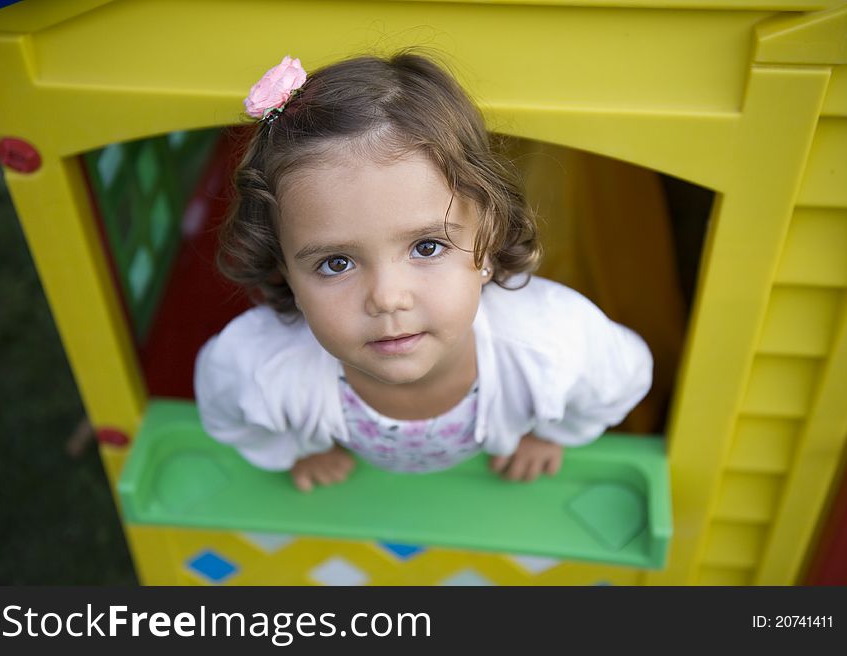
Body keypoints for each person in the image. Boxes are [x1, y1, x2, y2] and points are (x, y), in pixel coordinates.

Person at [194, 52, 653, 492]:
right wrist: (292, 451)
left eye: (427, 246)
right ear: (286, 273)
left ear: (487, 242)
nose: (388, 298)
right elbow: (222, 409)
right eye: (337, 263)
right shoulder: (259, 366)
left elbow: (626, 374)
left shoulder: (552, 343)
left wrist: (556, 435)